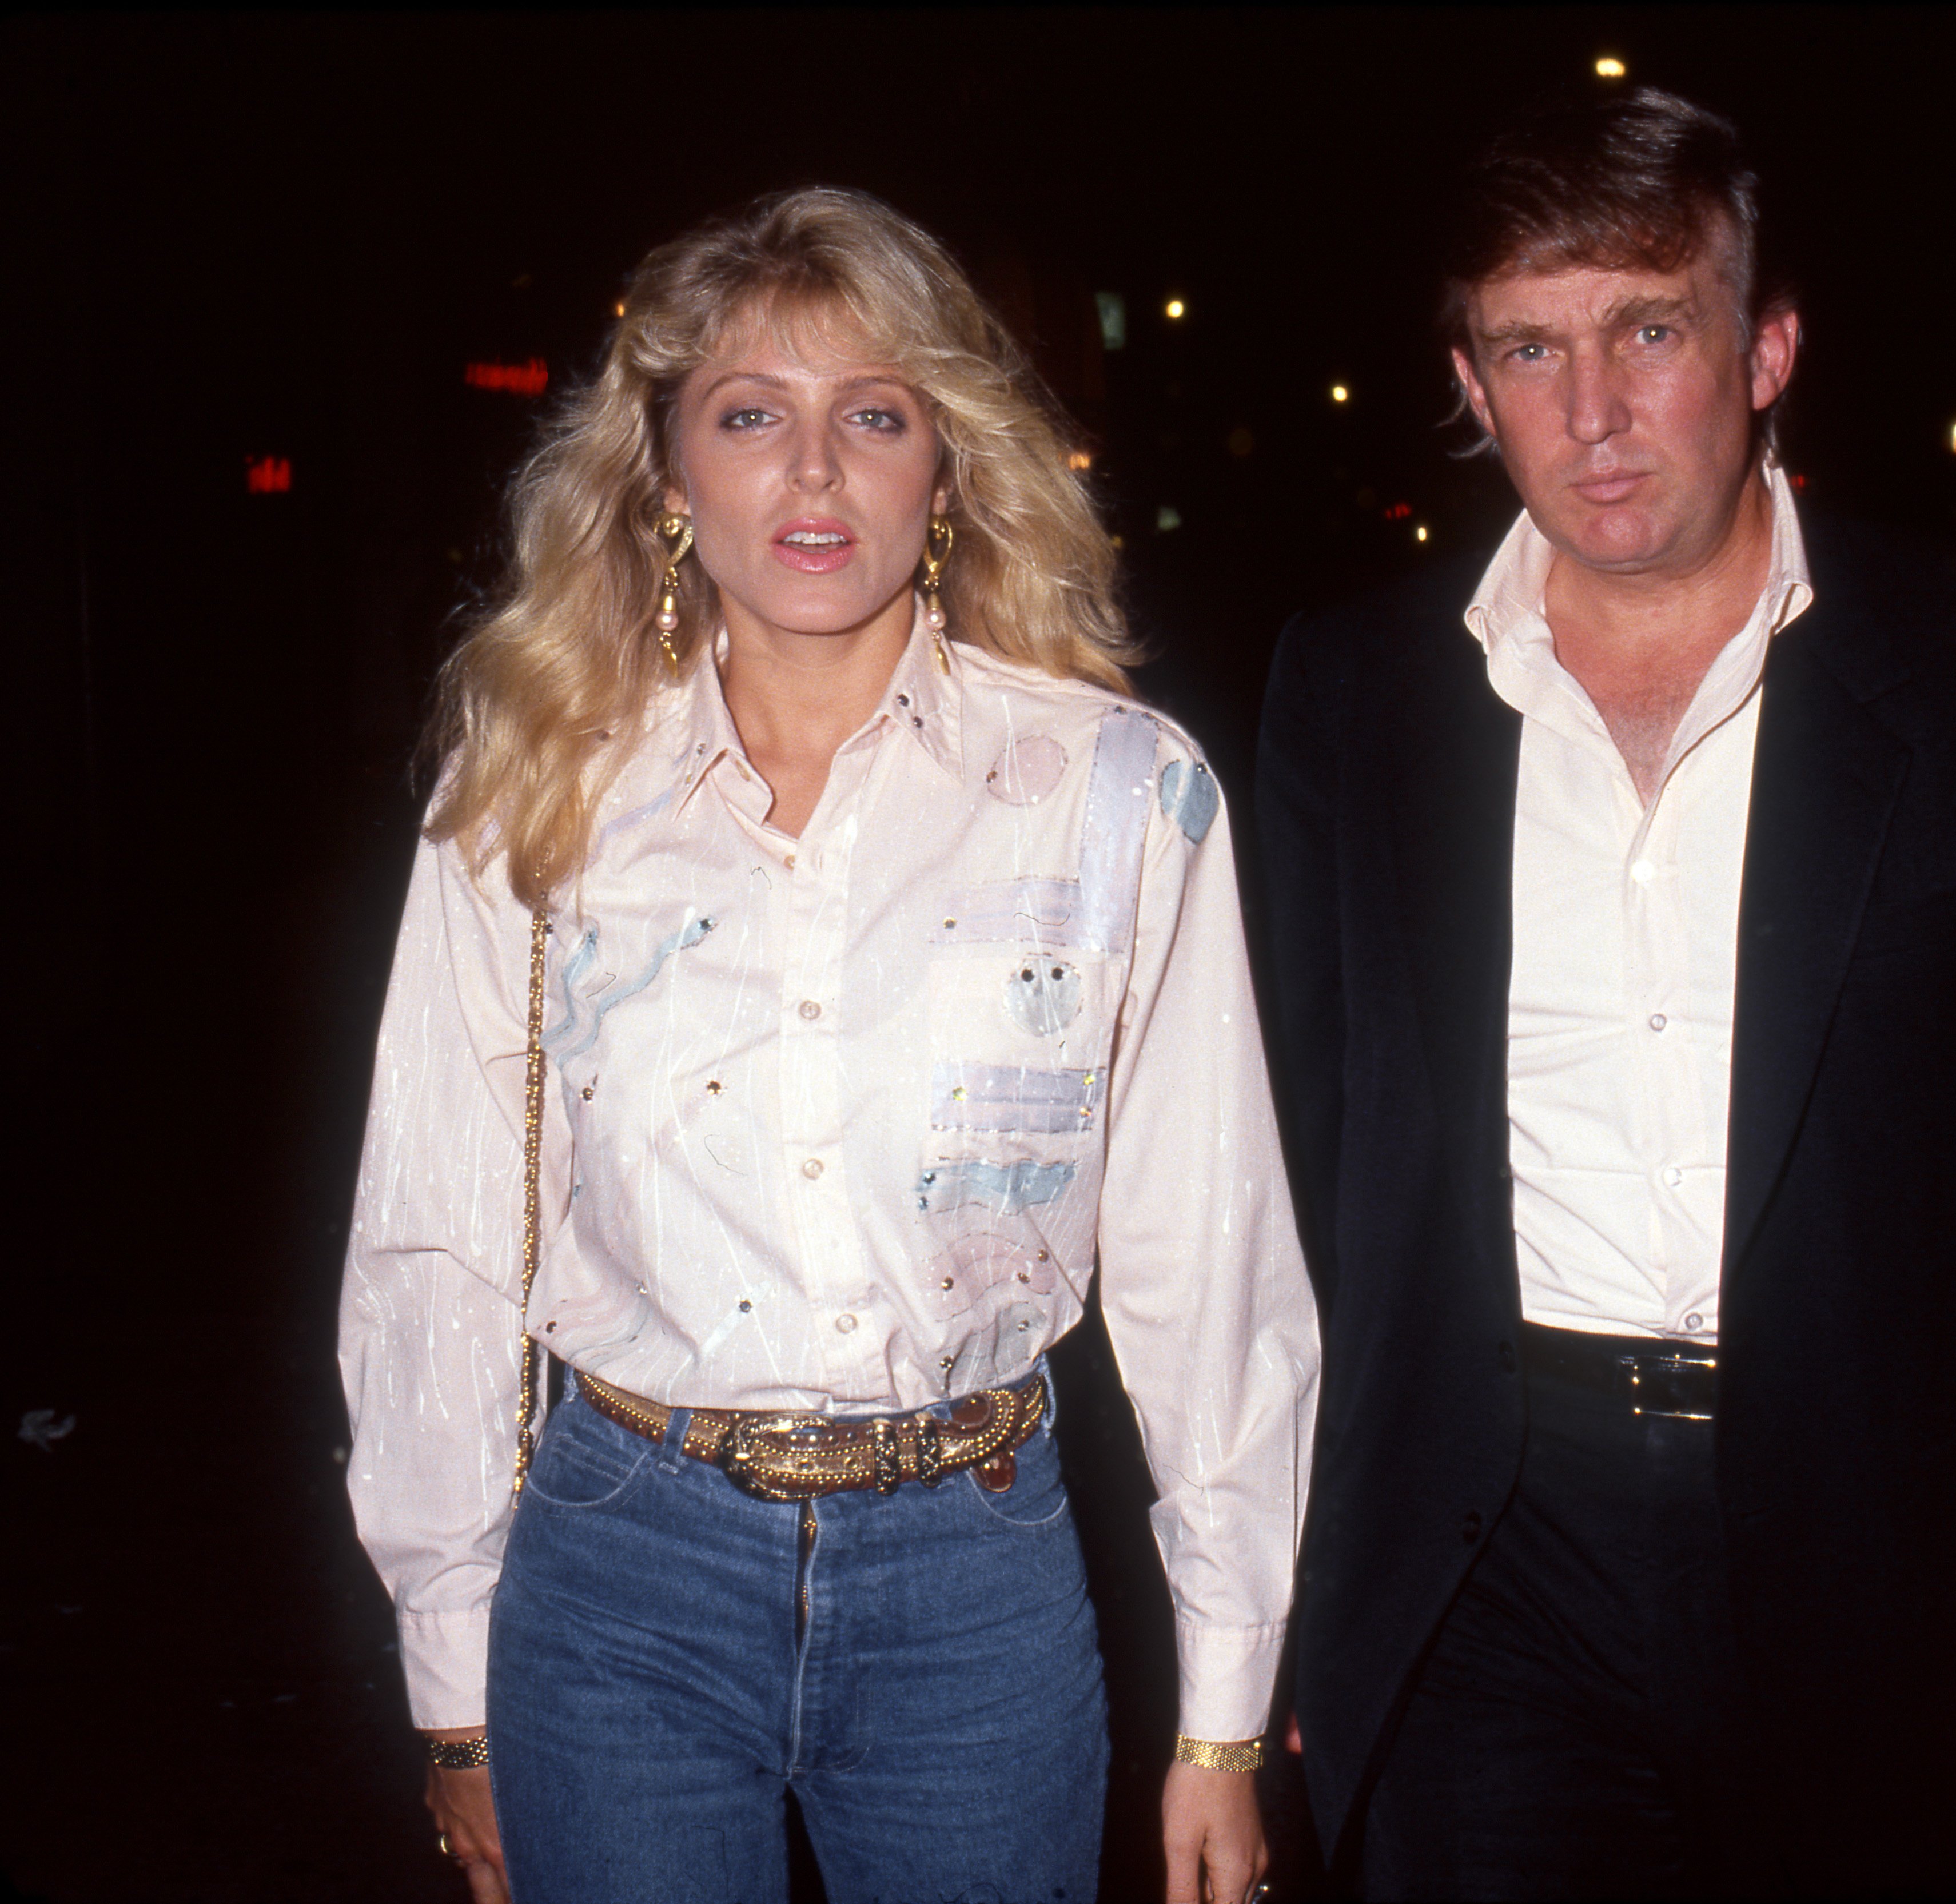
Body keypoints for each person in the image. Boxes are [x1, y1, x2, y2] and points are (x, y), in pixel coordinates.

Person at [1255, 89, 1956, 1898]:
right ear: (1469, 383)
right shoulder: (1350, 691)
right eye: (1531, 349)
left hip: (1890, 1543)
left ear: (1766, 348)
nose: (1592, 410)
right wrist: (1297, 1587)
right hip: (1488, 1554)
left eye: (1648, 331)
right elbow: (1293, 1168)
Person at [339, 186, 1317, 1904]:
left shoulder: (1112, 792)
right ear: (666, 475)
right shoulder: (536, 793)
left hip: (974, 1581)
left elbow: (1208, 1260)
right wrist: (450, 1676)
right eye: (748, 416)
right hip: (617, 1577)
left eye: (872, 415)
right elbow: (436, 1245)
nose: (811, 470)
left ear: (946, 466)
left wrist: (1225, 1712)